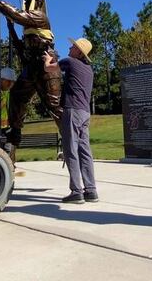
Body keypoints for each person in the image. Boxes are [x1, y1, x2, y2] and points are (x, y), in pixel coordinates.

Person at [0, 0, 63, 161]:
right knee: (17, 97)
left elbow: (17, 15)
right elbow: (22, 46)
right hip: (32, 66)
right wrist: (10, 27)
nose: (25, 3)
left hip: (45, 64)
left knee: (55, 105)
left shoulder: (39, 16)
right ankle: (12, 141)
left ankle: (72, 140)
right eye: (26, 1)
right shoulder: (28, 26)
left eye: (28, 1)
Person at [45, 37, 97, 204]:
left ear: (79, 52)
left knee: (70, 150)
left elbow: (49, 69)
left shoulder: (70, 62)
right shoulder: (89, 69)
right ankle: (91, 190)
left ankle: (76, 191)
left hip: (72, 111)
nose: (69, 47)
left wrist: (47, 59)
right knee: (85, 151)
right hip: (85, 113)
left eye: (73, 46)